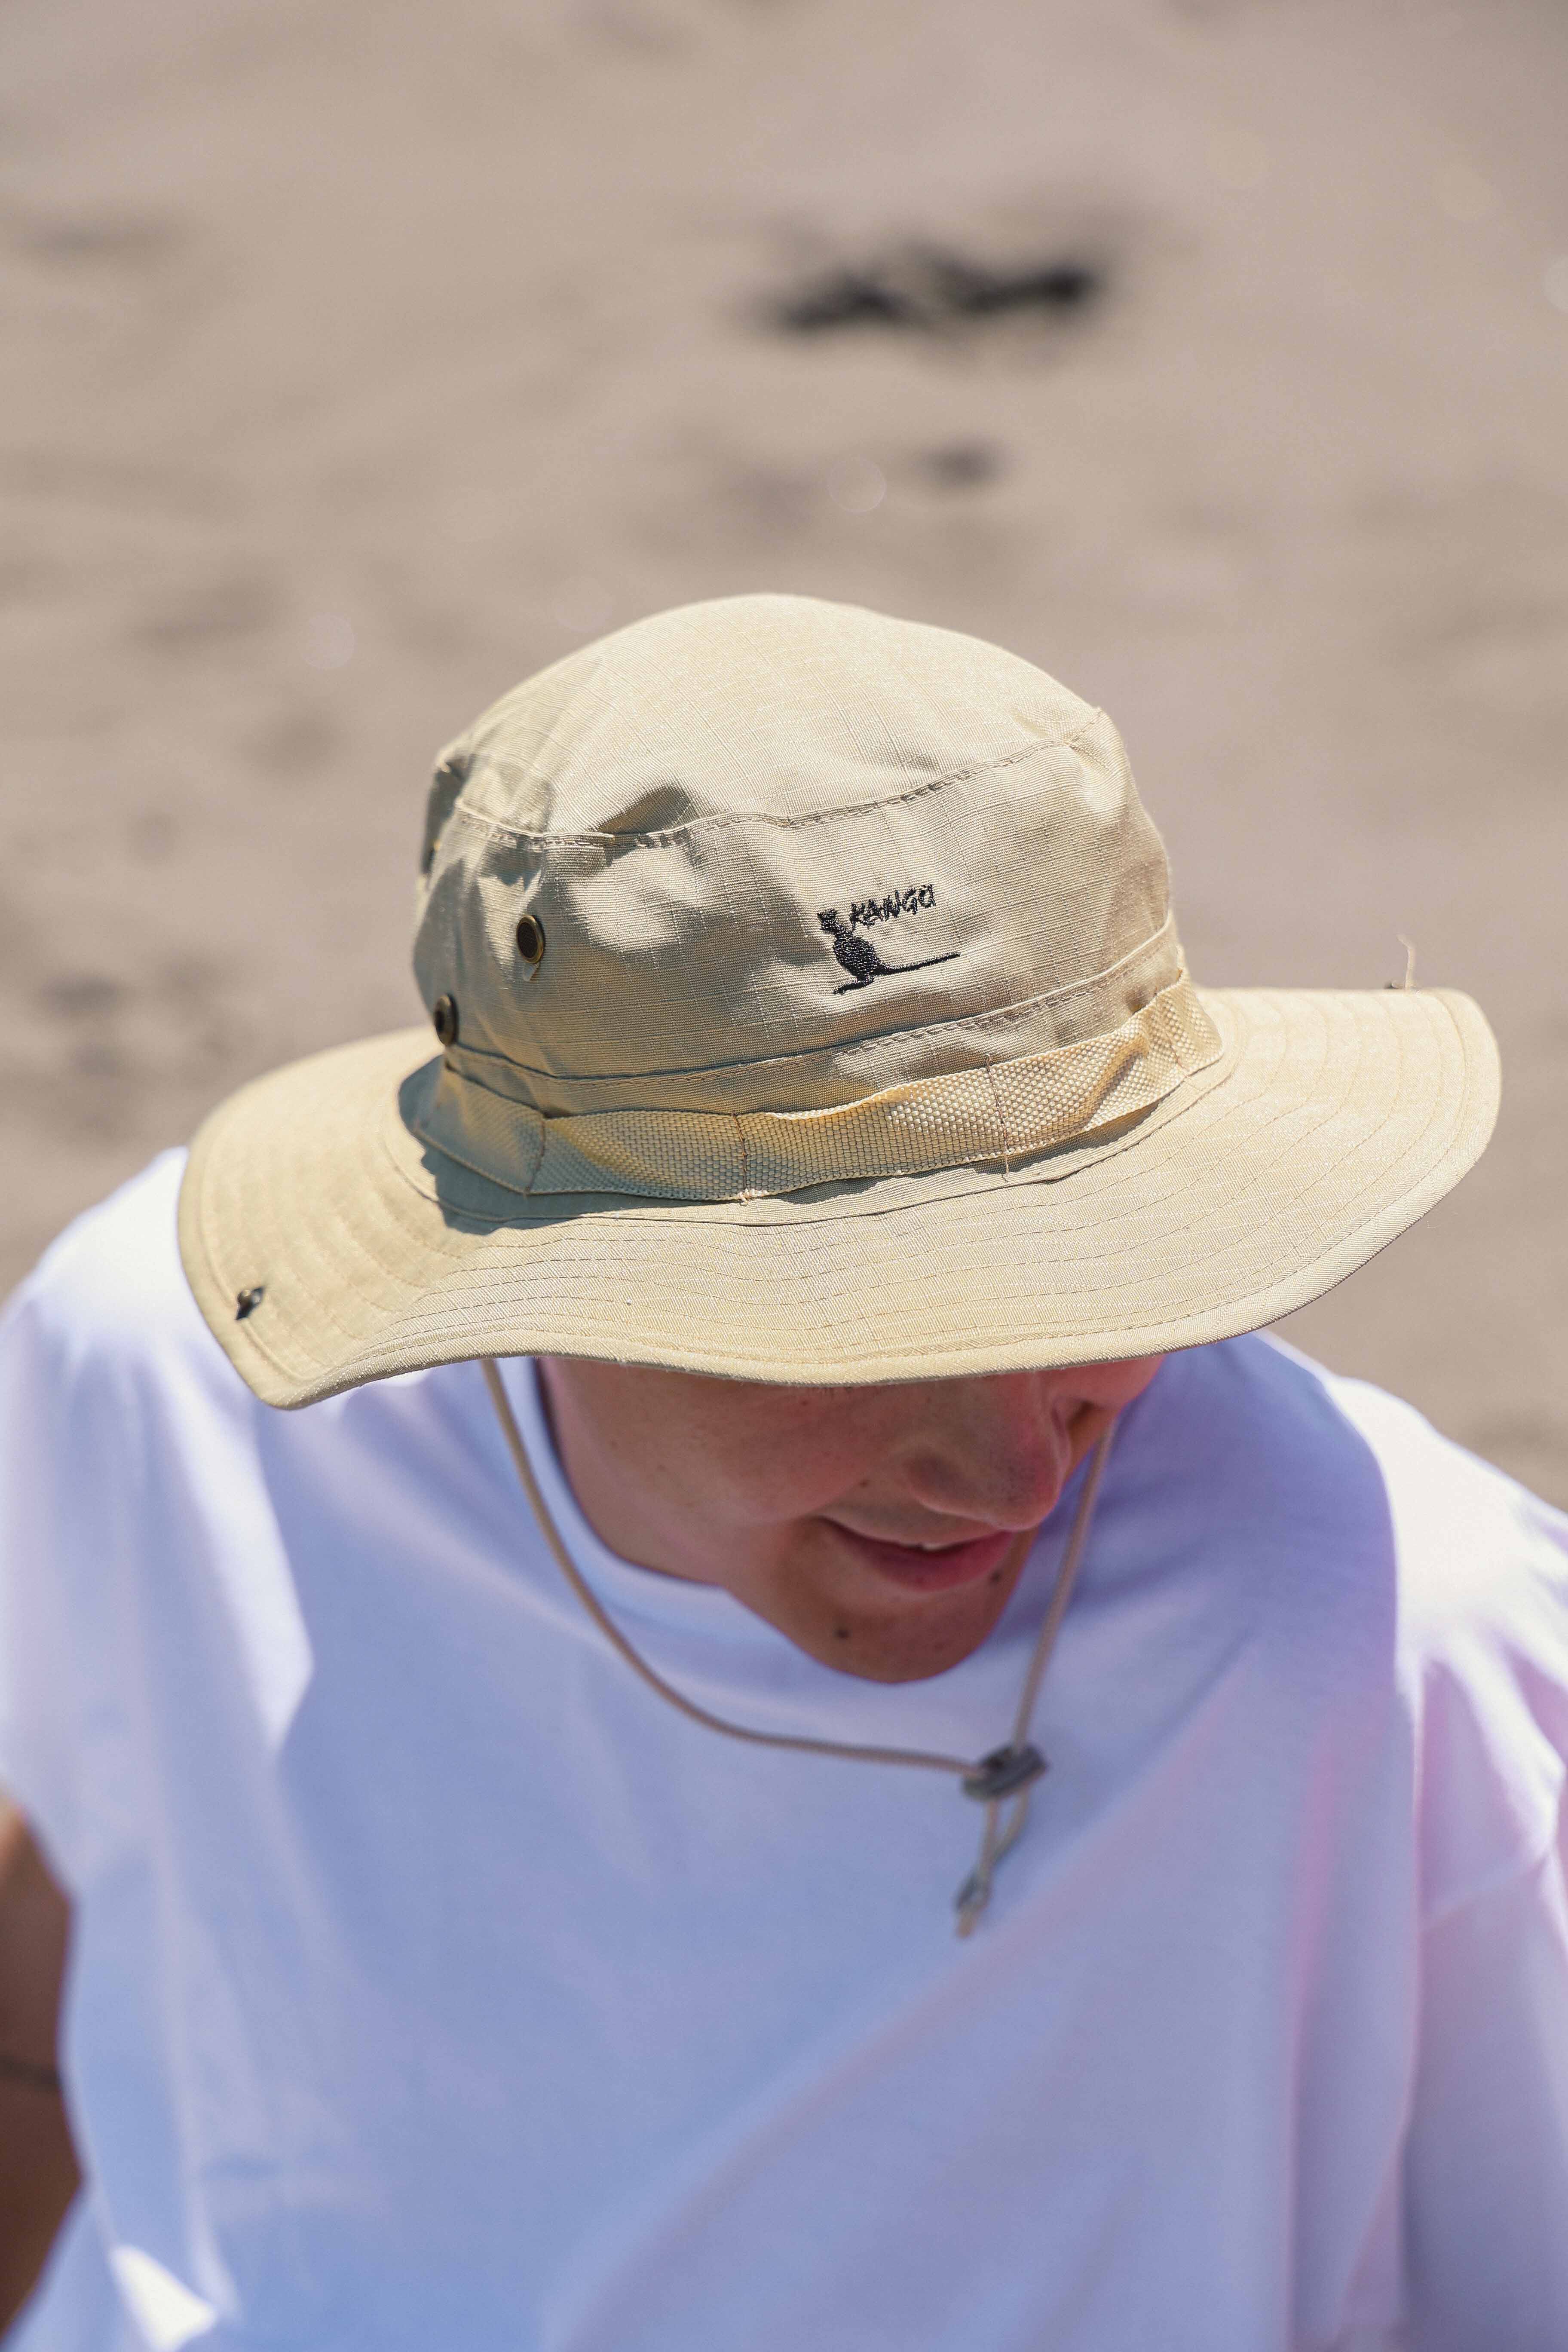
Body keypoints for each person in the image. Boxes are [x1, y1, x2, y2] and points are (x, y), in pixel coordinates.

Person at [0, 595, 1564, 2352]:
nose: (1010, 1469)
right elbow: (79, 1929)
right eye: (860, 1325)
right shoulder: (165, 1377)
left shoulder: (1394, 1640)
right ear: (538, 1264)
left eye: (1096, 1279)